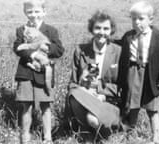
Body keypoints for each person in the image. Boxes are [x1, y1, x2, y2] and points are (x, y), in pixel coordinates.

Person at [115, 1, 159, 144]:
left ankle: (156, 138)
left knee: (153, 108)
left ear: (150, 19)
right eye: (133, 19)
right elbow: (119, 47)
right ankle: (129, 135)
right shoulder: (128, 36)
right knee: (132, 105)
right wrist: (105, 40)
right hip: (133, 72)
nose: (136, 22)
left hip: (151, 75)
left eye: (141, 19)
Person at [13, 0, 64, 143]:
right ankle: (25, 135)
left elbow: (59, 50)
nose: (33, 15)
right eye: (30, 12)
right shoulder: (21, 30)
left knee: (46, 106)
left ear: (44, 12)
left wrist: (46, 47)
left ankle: (48, 137)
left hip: (44, 74)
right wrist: (34, 54)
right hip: (26, 73)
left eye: (37, 11)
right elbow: (17, 47)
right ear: (25, 13)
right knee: (26, 106)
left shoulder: (51, 31)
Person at [65, 10, 121, 141]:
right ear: (91, 29)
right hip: (85, 98)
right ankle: (86, 134)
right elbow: (72, 83)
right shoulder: (81, 50)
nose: (101, 32)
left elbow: (123, 87)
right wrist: (85, 90)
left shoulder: (119, 52)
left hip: (108, 101)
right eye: (98, 28)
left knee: (93, 118)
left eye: (106, 28)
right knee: (73, 94)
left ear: (111, 30)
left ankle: (104, 134)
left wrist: (101, 92)